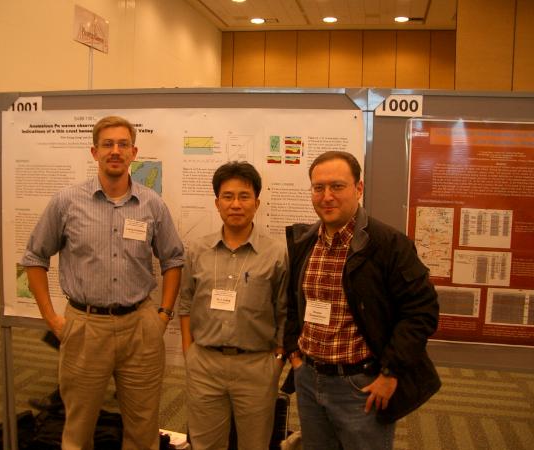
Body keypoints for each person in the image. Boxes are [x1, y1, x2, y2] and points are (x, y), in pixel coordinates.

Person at [21, 115, 184, 450]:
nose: (115, 151)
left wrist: (163, 315)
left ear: (134, 152)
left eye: (123, 144)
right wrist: (52, 318)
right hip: (85, 327)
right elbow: (34, 258)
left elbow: (173, 260)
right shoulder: (67, 202)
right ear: (94, 152)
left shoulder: (151, 204)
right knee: (78, 429)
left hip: (140, 328)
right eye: (107, 144)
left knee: (143, 428)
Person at [283, 151, 441, 450]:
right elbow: (293, 303)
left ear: (358, 188)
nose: (327, 196)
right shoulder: (305, 242)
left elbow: (421, 312)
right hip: (309, 379)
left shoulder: (388, 245)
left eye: (337, 186)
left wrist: (391, 373)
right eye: (318, 188)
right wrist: (295, 355)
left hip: (360, 385)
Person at [179, 161, 288, 450]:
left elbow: (284, 310)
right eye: (228, 196)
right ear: (217, 203)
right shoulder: (197, 250)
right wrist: (189, 351)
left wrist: (277, 360)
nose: (236, 204)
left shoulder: (276, 253)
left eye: (244, 196)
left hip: (256, 365)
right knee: (205, 444)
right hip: (205, 363)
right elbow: (186, 302)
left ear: (257, 203)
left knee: (255, 444)